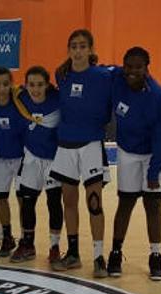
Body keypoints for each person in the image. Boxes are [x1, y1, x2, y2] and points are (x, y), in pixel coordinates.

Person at [50, 29, 113, 278]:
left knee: (94, 204)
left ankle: (99, 257)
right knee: (69, 202)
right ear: (69, 50)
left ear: (90, 49)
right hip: (65, 145)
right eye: (73, 46)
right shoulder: (61, 75)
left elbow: (128, 77)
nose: (78, 51)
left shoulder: (104, 75)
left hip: (91, 145)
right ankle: (73, 253)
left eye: (82, 46)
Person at [107, 46, 161, 281]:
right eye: (129, 66)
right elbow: (103, 69)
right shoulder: (117, 79)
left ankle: (155, 255)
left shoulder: (156, 96)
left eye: (138, 67)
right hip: (127, 152)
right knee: (125, 203)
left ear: (146, 68)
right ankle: (115, 253)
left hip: (155, 153)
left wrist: (154, 172)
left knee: (153, 206)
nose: (132, 71)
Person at [9, 66, 64, 265]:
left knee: (54, 203)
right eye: (31, 84)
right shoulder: (20, 97)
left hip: (54, 159)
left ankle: (55, 247)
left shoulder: (58, 98)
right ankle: (27, 244)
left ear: (48, 85)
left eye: (40, 84)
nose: (35, 89)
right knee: (28, 202)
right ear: (25, 85)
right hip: (31, 157)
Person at [0, 67, 28, 258]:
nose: (1, 88)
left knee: (23, 199)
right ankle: (7, 236)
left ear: (11, 85)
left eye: (5, 84)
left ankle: (27, 239)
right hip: (0, 159)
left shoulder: (20, 102)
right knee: (1, 198)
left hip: (22, 158)